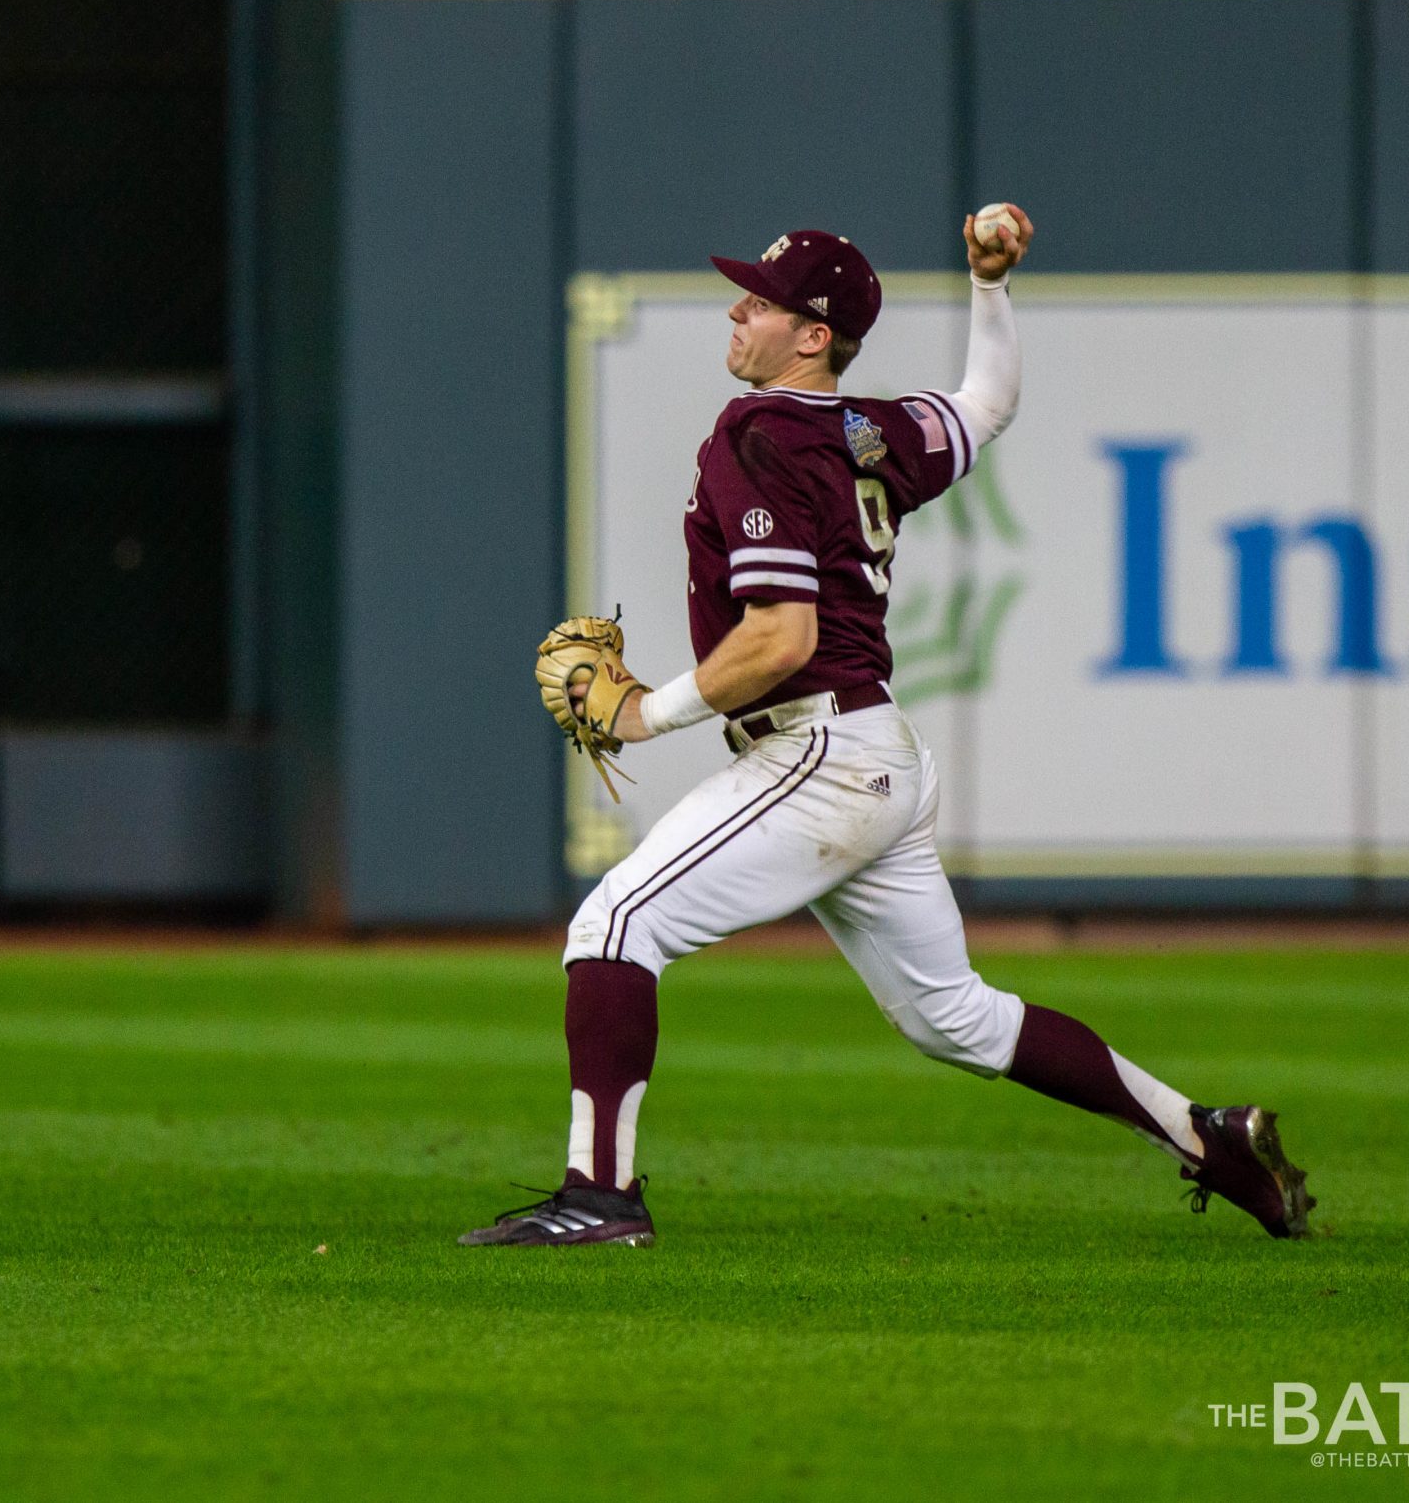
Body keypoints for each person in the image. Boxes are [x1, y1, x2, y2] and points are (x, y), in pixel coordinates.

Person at [463, 209, 1313, 1248]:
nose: (737, 309)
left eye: (761, 302)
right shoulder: (875, 430)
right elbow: (987, 403)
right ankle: (1204, 1132)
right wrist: (990, 286)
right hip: (877, 753)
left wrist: (645, 712)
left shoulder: (756, 434)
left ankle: (599, 1197)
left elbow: (779, 638)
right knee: (952, 1015)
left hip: (814, 748)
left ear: (812, 334)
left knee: (612, 927)